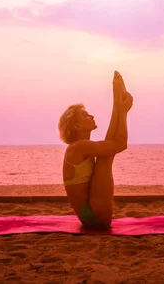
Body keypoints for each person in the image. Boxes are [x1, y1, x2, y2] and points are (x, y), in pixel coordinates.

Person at [58, 71, 133, 230]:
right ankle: (118, 103)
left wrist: (120, 107)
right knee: (105, 157)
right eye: (85, 115)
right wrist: (122, 111)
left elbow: (112, 143)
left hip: (90, 216)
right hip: (95, 217)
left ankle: (118, 103)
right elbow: (120, 144)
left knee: (106, 152)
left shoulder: (82, 146)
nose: (91, 116)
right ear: (77, 126)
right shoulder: (79, 147)